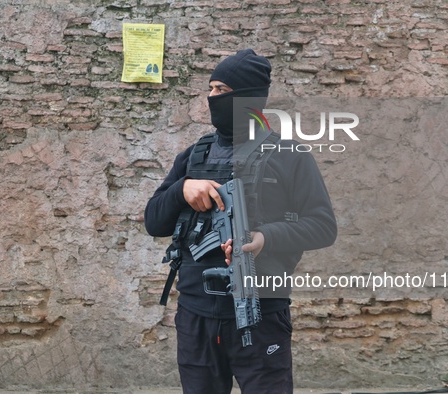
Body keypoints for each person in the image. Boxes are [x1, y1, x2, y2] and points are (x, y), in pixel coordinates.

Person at [144, 49, 337, 394]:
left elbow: (323, 226)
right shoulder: (193, 156)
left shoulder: (289, 156)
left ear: (248, 98)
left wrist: (266, 237)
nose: (212, 97)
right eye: (211, 89)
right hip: (197, 313)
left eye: (222, 90)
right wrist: (181, 190)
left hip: (261, 309)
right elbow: (154, 222)